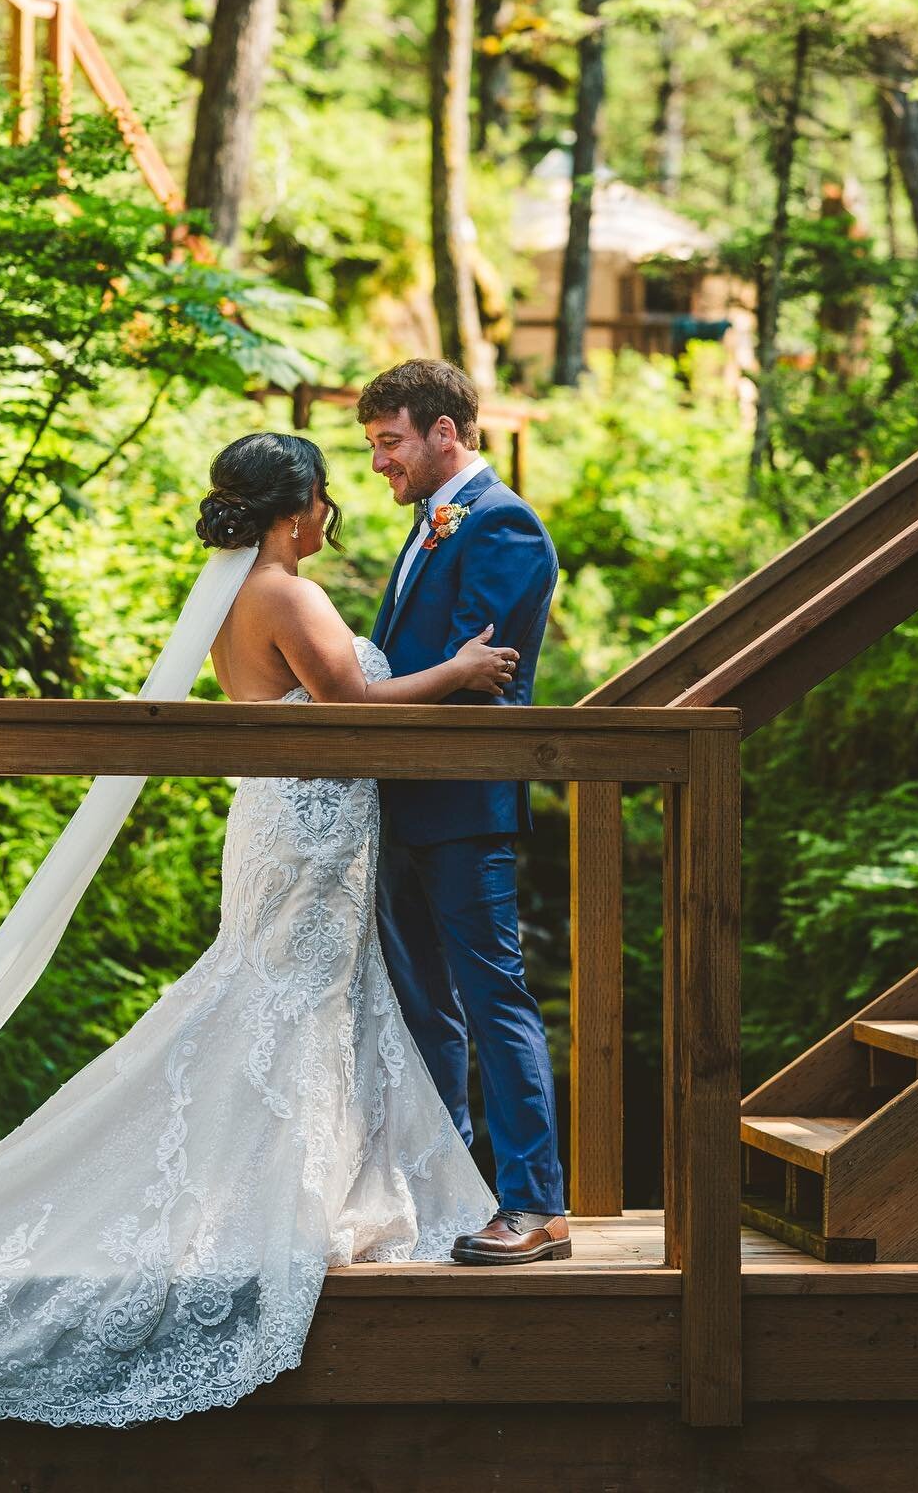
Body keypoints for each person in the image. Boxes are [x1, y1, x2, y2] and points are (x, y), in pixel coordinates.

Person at [0, 432, 512, 1425]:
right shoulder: (287, 595)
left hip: (286, 817)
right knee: (287, 1001)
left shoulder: (229, 597)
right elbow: (355, 705)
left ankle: (314, 1182)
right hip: (312, 820)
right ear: (294, 505)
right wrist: (462, 670)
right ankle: (283, 1199)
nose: (329, 513)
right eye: (324, 497)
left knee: (284, 994)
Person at [360, 359, 568, 1265]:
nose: (379, 463)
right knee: (423, 1010)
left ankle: (534, 1205)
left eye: (389, 442)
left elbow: (476, 665)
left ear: (446, 433)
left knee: (494, 999)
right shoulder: (427, 528)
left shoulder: (506, 525)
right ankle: (446, 1189)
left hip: (465, 801)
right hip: (403, 800)